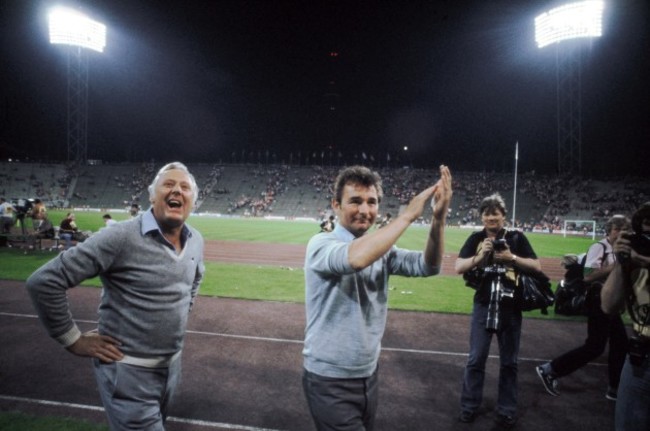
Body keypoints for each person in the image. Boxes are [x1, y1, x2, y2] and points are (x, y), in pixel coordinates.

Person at [26, 161, 205, 430]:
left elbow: (195, 277)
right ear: (151, 195)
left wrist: (179, 313)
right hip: (127, 371)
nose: (177, 191)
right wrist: (73, 340)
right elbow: (44, 281)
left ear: (193, 200)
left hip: (171, 368)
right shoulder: (120, 237)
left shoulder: (195, 240)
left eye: (185, 187)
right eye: (168, 184)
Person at [302, 164, 452, 431]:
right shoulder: (321, 244)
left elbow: (429, 266)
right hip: (329, 379)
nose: (365, 210)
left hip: (368, 375)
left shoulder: (384, 249)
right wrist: (407, 216)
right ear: (336, 205)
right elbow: (356, 258)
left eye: (372, 202)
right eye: (355, 201)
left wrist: (438, 219)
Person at [455, 193, 541, 428]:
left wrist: (511, 257)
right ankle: (469, 406)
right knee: (475, 359)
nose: (491, 218)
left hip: (510, 306)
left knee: (509, 362)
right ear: (482, 216)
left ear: (504, 216)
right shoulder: (476, 238)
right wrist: (480, 256)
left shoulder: (517, 237)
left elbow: (536, 266)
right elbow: (458, 266)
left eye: (496, 213)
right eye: (487, 213)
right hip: (483, 303)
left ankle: (506, 410)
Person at [536, 215, 630, 401]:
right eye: (617, 229)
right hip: (597, 300)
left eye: (624, 229)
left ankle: (615, 387)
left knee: (619, 343)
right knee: (595, 346)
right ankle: (549, 370)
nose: (621, 233)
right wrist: (616, 266)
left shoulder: (621, 250)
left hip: (611, 301)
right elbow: (588, 276)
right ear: (609, 230)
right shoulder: (599, 247)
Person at [601, 203, 650, 431]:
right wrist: (622, 265)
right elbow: (609, 305)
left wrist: (643, 261)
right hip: (640, 357)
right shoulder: (634, 262)